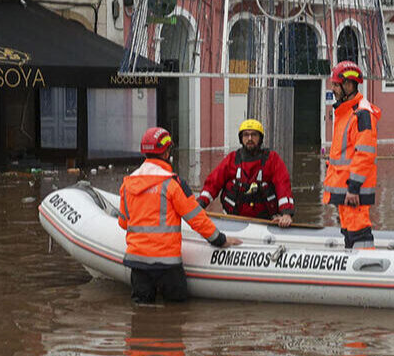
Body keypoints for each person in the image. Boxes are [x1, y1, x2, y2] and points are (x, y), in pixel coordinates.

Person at [118, 127, 242, 304]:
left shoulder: (128, 183)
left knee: (141, 316)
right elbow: (196, 218)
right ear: (167, 152)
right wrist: (220, 240)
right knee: (176, 312)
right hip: (167, 264)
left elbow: (123, 223)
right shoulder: (172, 183)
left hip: (137, 262)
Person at [322, 61, 381, 249]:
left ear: (349, 85)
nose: (332, 89)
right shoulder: (345, 112)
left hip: (353, 191)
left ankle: (367, 271)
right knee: (349, 232)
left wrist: (354, 187)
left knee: (359, 232)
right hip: (345, 188)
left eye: (335, 85)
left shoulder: (361, 114)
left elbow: (365, 154)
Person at [198, 119, 295, 227]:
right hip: (233, 219)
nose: (250, 138)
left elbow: (283, 185)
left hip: (267, 221)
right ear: (241, 138)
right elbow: (212, 184)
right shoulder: (232, 159)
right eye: (246, 135)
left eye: (254, 135)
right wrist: (199, 206)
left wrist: (286, 214)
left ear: (260, 138)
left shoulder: (272, 159)